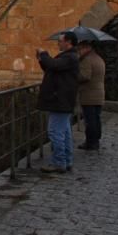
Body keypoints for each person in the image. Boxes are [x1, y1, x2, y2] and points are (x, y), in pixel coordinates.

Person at [36, 32, 79, 174]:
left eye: (60, 41)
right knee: (64, 132)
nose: (58, 43)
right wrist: (42, 59)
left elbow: (53, 65)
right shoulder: (68, 57)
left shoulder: (70, 57)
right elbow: (52, 68)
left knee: (55, 132)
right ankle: (67, 160)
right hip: (62, 100)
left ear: (68, 42)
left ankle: (59, 162)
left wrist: (44, 54)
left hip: (60, 100)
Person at [76, 40, 106, 150]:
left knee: (90, 120)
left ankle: (91, 142)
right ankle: (96, 140)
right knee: (96, 119)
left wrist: (74, 75)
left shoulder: (87, 60)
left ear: (86, 48)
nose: (79, 51)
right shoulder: (98, 58)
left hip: (89, 94)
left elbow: (85, 76)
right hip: (99, 93)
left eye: (80, 49)